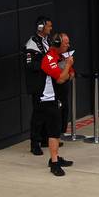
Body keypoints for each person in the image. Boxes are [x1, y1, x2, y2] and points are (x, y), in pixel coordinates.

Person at [37, 33, 75, 176]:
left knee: (59, 129)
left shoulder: (62, 57)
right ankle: (54, 163)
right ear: (58, 44)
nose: (68, 46)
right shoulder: (49, 59)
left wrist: (67, 70)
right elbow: (60, 79)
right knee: (53, 132)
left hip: (60, 98)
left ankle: (56, 157)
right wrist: (68, 65)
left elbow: (70, 75)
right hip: (50, 99)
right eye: (66, 43)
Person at [24, 16, 53, 155]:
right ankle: (35, 143)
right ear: (41, 27)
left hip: (48, 83)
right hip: (38, 84)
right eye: (48, 26)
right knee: (38, 114)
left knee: (48, 112)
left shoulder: (47, 41)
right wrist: (46, 64)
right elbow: (30, 65)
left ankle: (46, 139)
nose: (51, 29)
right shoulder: (31, 44)